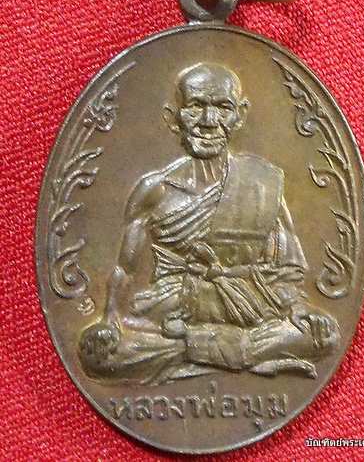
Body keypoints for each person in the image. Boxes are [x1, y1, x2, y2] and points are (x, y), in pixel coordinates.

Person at [79, 62, 340, 385]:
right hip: (174, 308)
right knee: (100, 357)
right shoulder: (154, 190)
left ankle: (193, 349)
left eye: (223, 108)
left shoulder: (262, 183)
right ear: (172, 117)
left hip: (246, 304)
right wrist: (110, 320)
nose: (209, 120)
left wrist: (300, 309)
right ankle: (241, 354)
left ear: (240, 115)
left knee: (324, 337)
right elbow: (124, 270)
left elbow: (284, 271)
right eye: (196, 106)